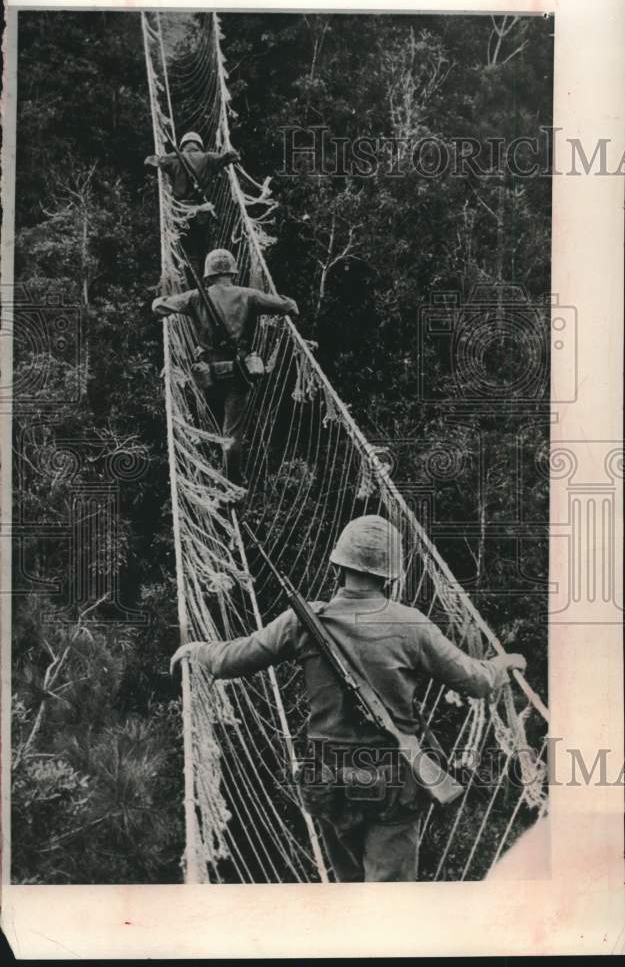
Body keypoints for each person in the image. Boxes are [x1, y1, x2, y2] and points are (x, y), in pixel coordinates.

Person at [171, 514, 527, 882]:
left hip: (328, 782)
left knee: (350, 896)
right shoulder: (412, 625)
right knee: (390, 909)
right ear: (392, 574)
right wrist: (505, 663)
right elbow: (477, 681)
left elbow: (235, 657)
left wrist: (199, 652)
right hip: (392, 785)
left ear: (338, 564)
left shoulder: (303, 621)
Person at [153, 248, 298, 488]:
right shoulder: (249, 295)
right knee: (232, 432)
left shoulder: (195, 297)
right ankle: (232, 480)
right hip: (238, 374)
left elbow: (158, 308)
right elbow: (289, 307)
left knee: (213, 422)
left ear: (208, 275)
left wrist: (167, 295)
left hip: (208, 375)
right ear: (233, 272)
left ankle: (213, 467)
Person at [145, 131, 240, 279]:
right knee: (202, 251)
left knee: (186, 253)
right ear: (199, 145)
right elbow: (231, 156)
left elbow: (150, 161)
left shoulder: (174, 157)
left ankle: (191, 285)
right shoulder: (208, 158)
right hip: (203, 213)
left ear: (183, 145)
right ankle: (204, 283)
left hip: (181, 214)